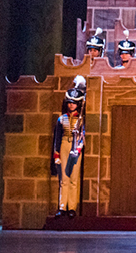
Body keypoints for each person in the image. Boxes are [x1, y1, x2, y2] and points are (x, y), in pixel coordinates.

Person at [51, 76, 86, 218]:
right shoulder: (62, 119)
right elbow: (57, 138)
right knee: (64, 179)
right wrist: (57, 154)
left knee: (73, 179)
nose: (71, 105)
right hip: (65, 145)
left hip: (76, 147)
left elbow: (83, 136)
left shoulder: (81, 120)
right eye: (69, 103)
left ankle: (72, 207)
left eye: (74, 103)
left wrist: (78, 149)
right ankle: (62, 207)